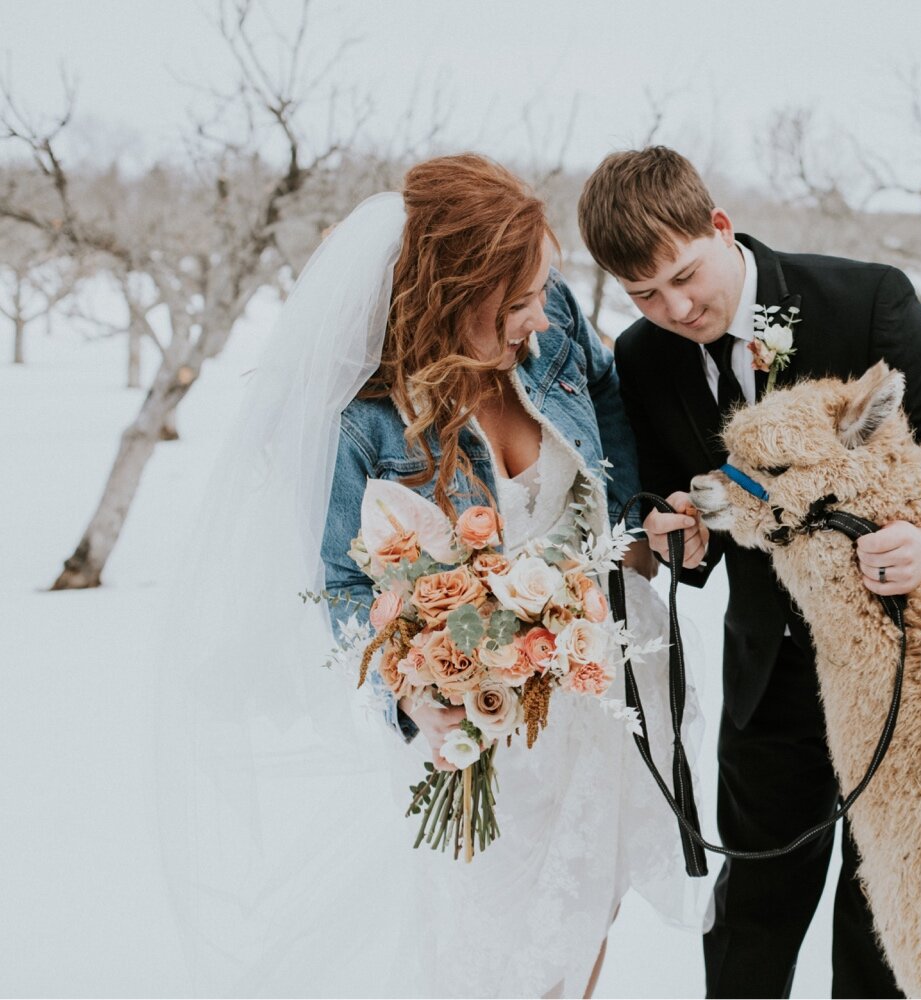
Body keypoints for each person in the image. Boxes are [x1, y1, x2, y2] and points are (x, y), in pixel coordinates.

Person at [163, 154, 703, 998]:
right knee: (485, 934)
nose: (540, 319)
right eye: (514, 304)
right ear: (452, 298)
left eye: (541, 293)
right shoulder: (360, 420)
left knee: (587, 897)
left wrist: (634, 535)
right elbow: (344, 591)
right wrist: (418, 692)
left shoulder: (549, 310)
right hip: (475, 721)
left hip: (596, 677)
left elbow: (603, 402)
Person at [577, 145, 921, 999]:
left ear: (720, 227)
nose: (676, 308)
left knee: (884, 908)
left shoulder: (866, 300)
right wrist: (676, 530)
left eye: (685, 276)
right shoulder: (640, 356)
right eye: (644, 296)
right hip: (770, 676)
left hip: (905, 670)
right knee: (752, 911)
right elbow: (672, 496)